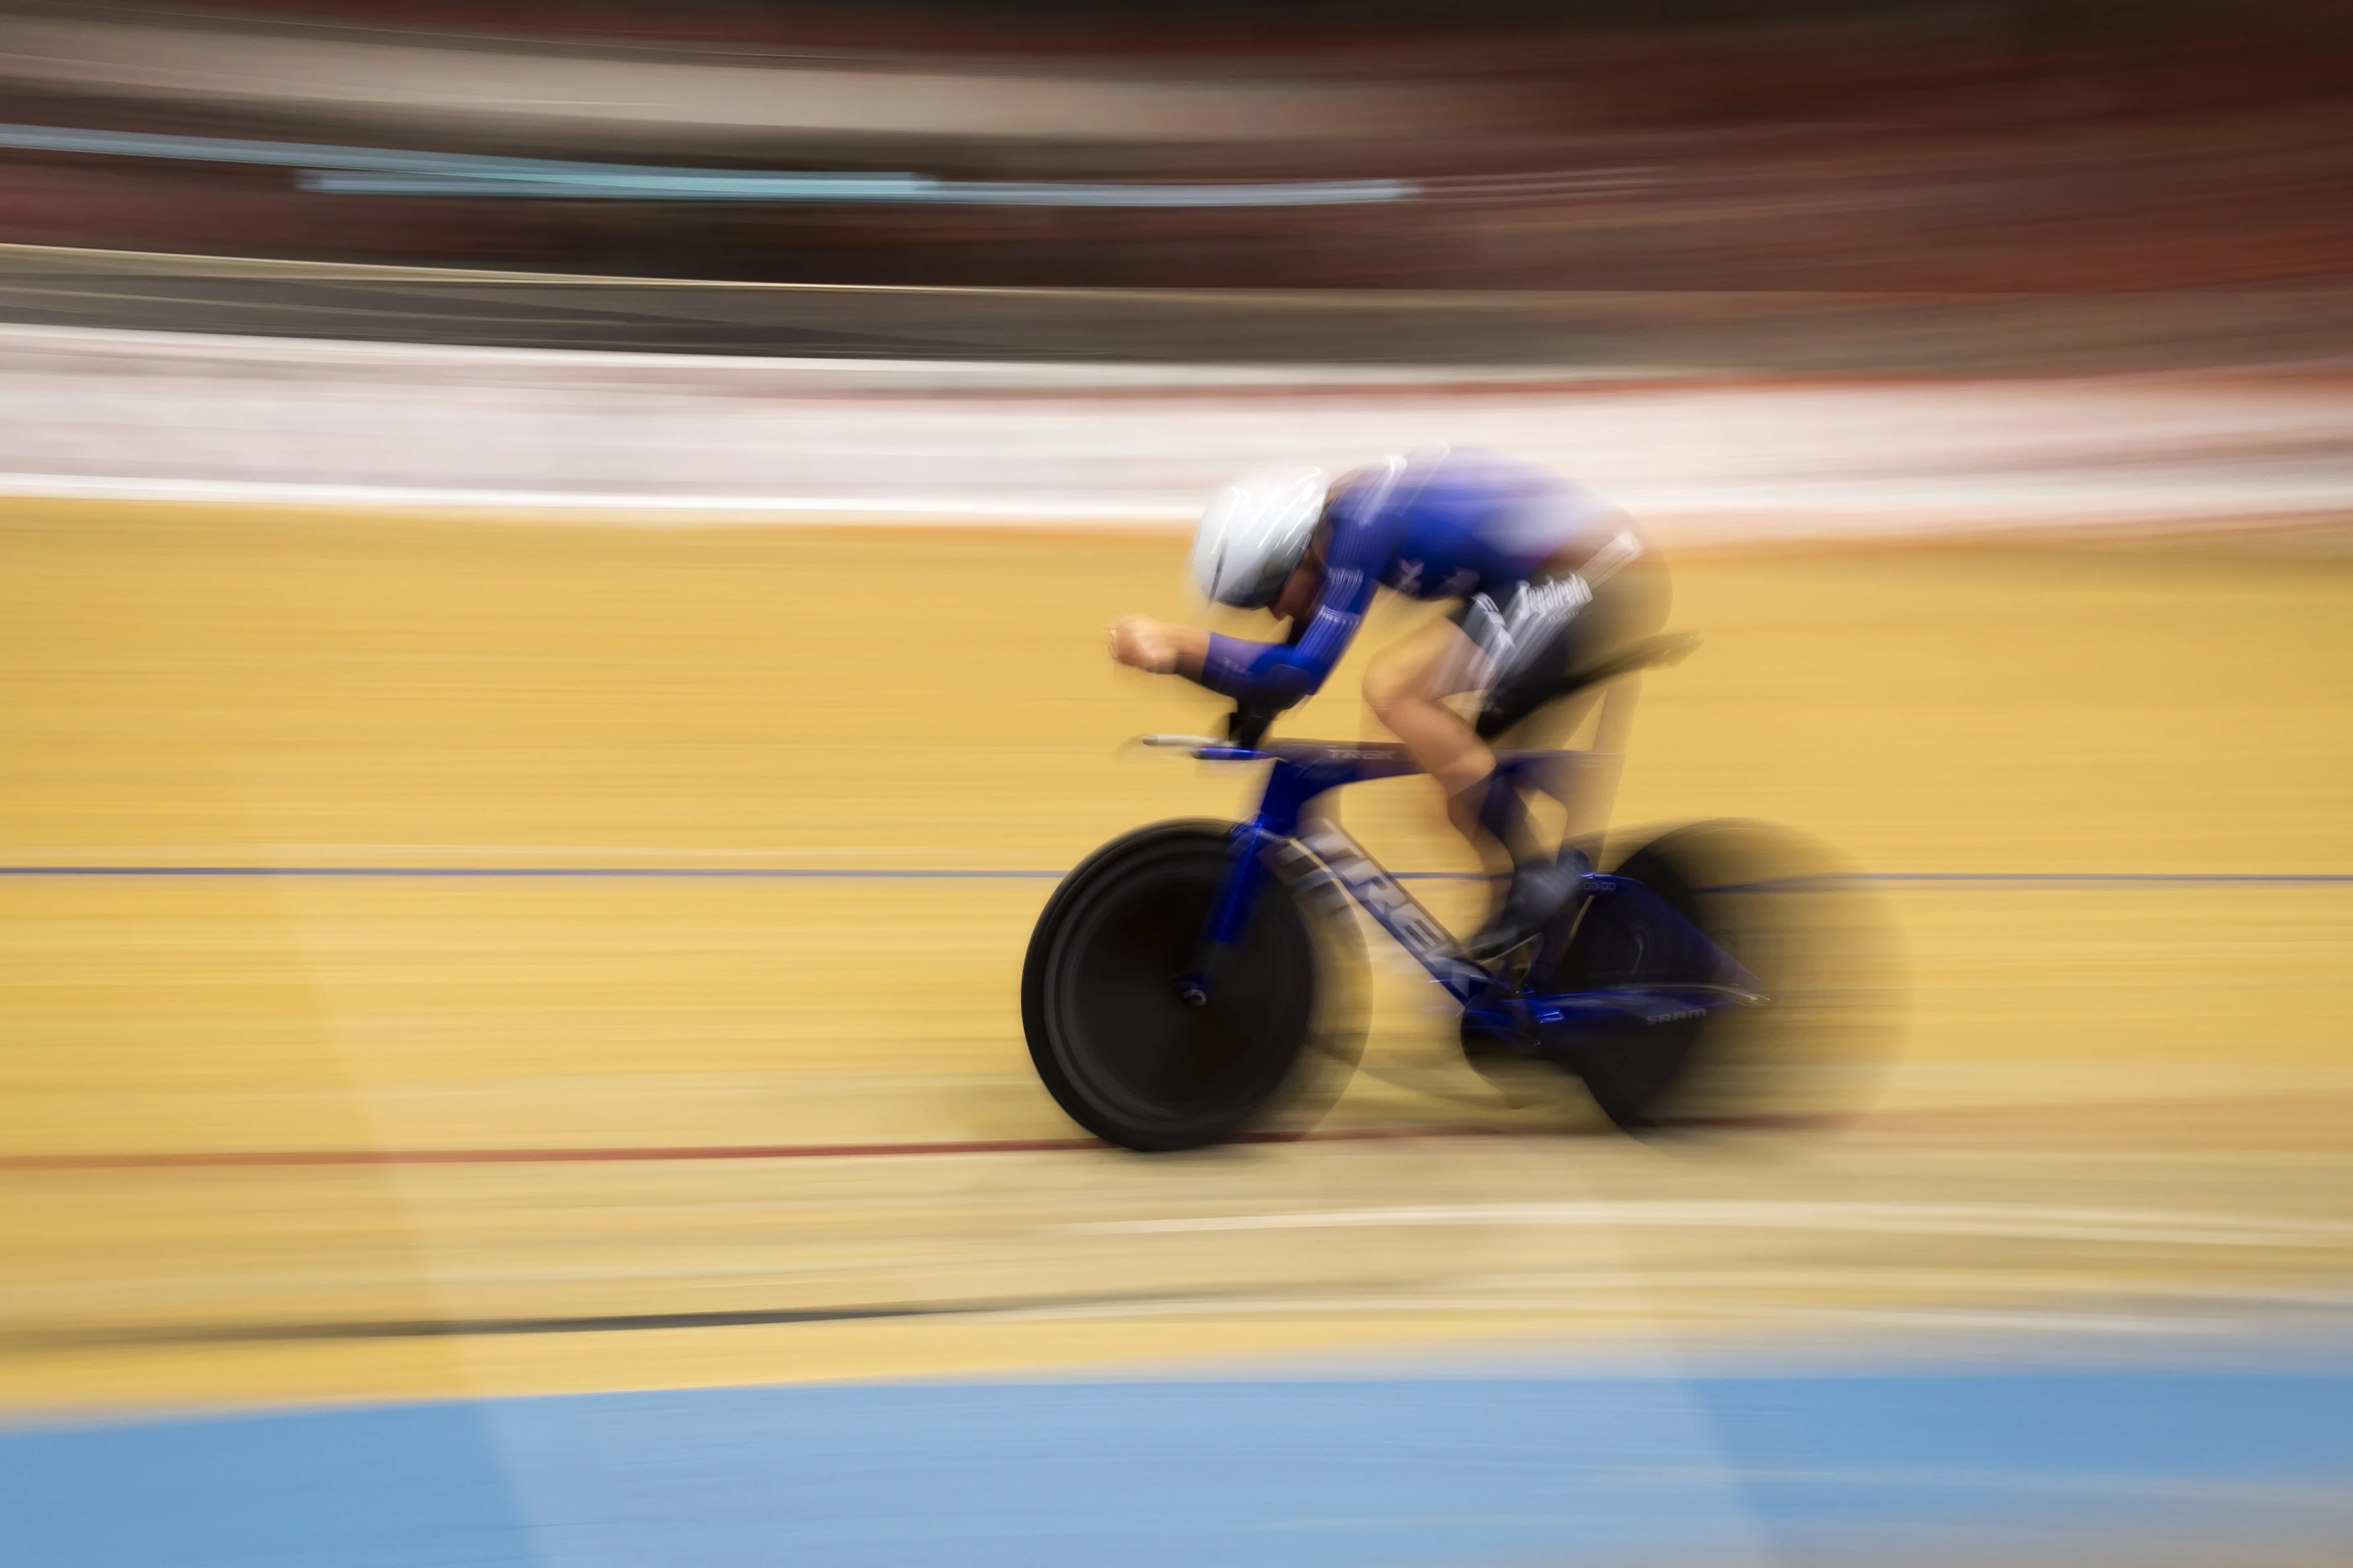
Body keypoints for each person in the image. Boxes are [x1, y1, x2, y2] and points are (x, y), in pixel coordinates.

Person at [1108, 448, 1668, 961]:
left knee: (1396, 689)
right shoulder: (1332, 530)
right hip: (1557, 576)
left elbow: (1302, 670)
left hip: (1595, 570)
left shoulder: (1358, 526)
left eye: (1266, 592)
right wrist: (1248, 709)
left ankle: (1538, 877)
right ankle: (1535, 963)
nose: (1273, 611)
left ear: (1301, 550)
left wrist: (1179, 646)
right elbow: (1283, 668)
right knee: (1463, 793)